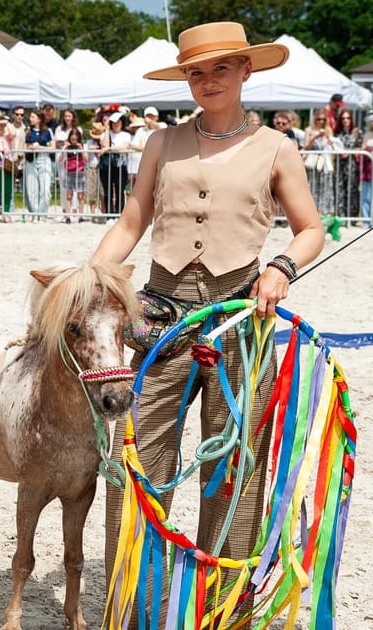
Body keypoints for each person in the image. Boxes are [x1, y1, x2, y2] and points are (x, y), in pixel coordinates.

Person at [92, 22, 323, 627]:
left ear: (246, 72)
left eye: (221, 69)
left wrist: (280, 268)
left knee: (235, 467)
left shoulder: (278, 147)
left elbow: (311, 230)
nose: (208, 81)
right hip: (161, 316)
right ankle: (136, 605)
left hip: (242, 320)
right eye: (197, 71)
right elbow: (130, 223)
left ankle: (222, 610)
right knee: (139, 458)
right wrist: (87, 279)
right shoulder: (162, 142)